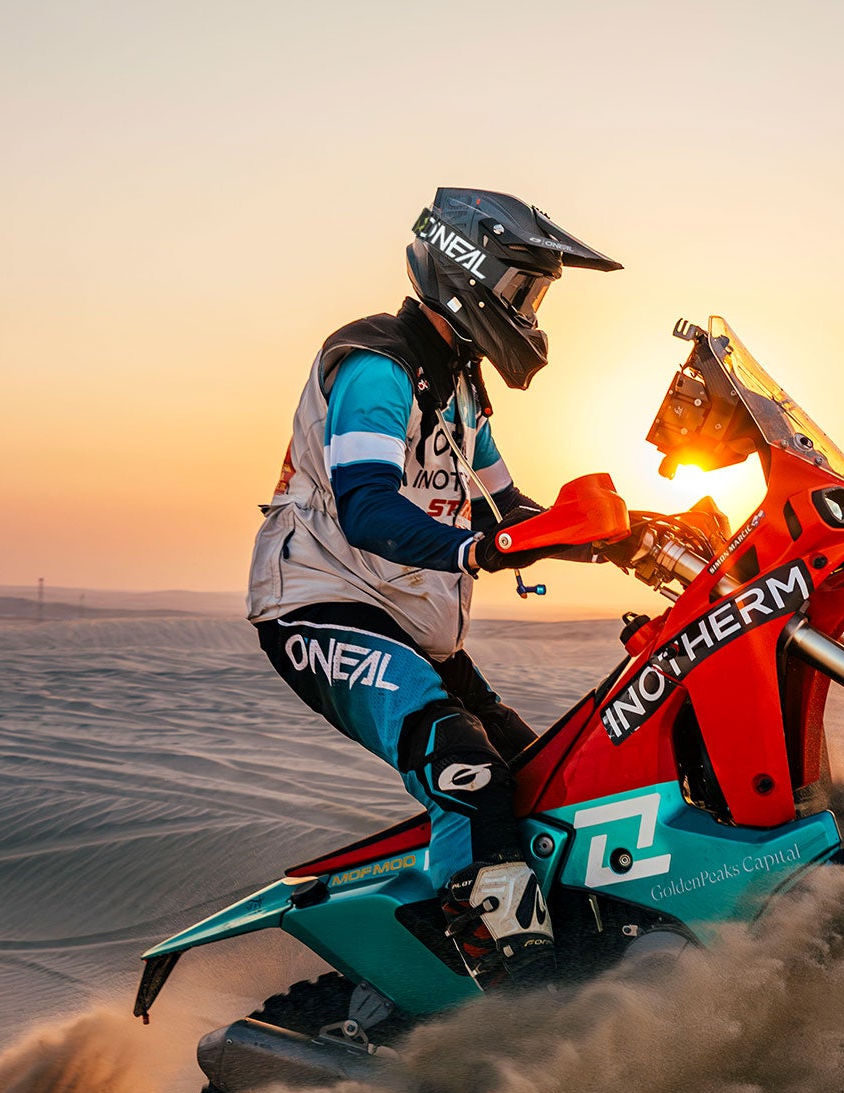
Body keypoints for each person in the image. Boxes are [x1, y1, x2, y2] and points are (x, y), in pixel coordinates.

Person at [246, 188, 621, 982]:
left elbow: (507, 511)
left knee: (544, 773)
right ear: (466, 272)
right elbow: (369, 509)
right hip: (321, 605)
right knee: (467, 772)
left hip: (407, 622)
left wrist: (625, 538)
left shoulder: (458, 386)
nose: (529, 310)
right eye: (522, 288)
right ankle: (501, 987)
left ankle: (576, 950)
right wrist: (479, 551)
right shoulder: (377, 367)